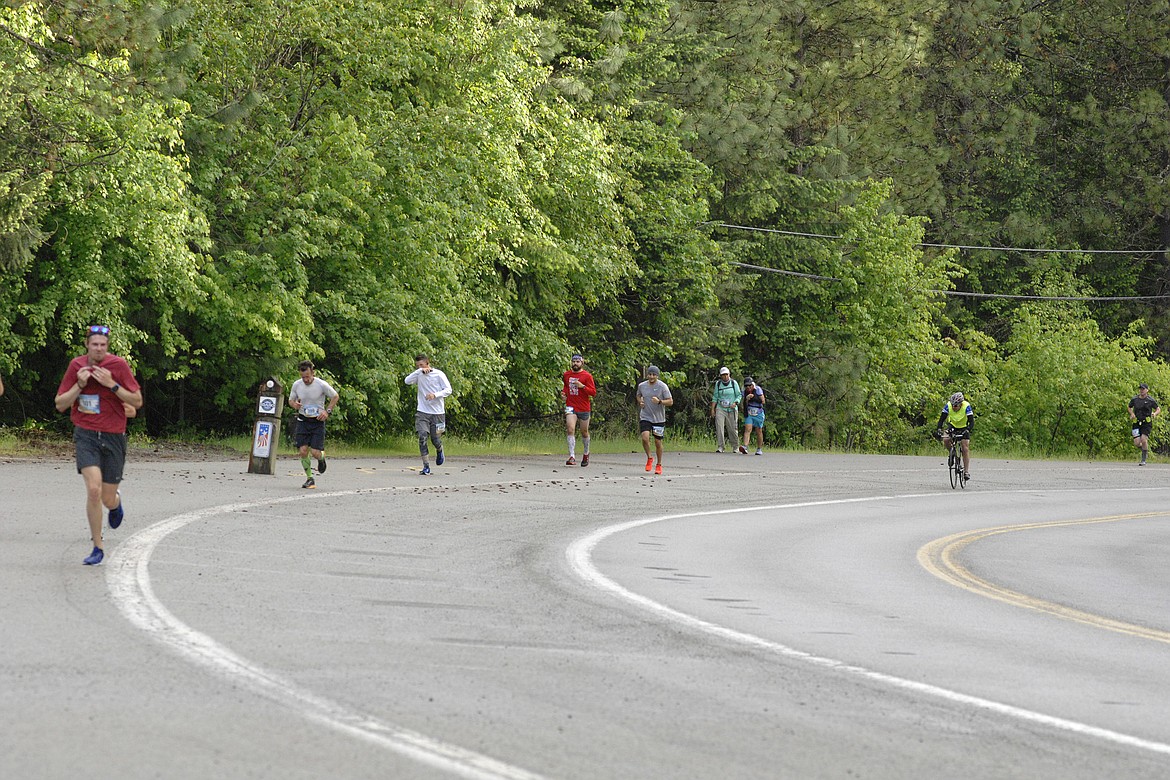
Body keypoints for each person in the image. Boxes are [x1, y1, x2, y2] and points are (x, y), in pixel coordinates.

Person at [53, 325, 143, 565]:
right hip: (86, 434)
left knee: (107, 497)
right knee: (93, 490)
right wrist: (79, 385)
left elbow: (137, 401)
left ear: (108, 346)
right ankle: (97, 547)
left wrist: (111, 384)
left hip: (114, 435)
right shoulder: (76, 366)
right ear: (87, 345)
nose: (99, 349)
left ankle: (116, 504)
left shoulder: (118, 366)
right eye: (95, 344)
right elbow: (60, 404)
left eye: (103, 345)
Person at [288, 360, 339, 489]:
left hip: (317, 422)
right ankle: (310, 478)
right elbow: (291, 400)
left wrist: (327, 412)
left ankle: (321, 459)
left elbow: (335, 396)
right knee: (303, 450)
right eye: (303, 377)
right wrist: (294, 404)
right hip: (303, 420)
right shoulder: (297, 385)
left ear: (313, 373)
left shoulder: (321, 385)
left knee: (316, 452)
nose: (305, 380)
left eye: (307, 377)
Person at [405, 354, 453, 475]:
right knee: (422, 436)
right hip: (422, 411)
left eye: (422, 365)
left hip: (437, 413)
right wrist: (419, 371)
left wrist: (435, 395)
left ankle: (439, 450)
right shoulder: (419, 374)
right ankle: (426, 466)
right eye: (418, 366)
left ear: (427, 363)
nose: (420, 367)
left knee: (435, 439)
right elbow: (407, 381)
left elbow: (448, 390)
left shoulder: (439, 374)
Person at [636, 365, 673, 475]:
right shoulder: (642, 386)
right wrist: (640, 401)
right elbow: (638, 395)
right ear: (647, 375)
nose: (651, 377)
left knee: (658, 442)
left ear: (657, 376)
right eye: (650, 374)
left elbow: (670, 401)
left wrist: (660, 402)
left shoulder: (662, 386)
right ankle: (649, 457)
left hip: (658, 418)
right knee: (645, 437)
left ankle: (659, 464)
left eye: (654, 375)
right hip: (645, 416)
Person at [562, 353, 597, 466]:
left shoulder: (587, 376)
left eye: (577, 362)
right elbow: (566, 388)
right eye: (573, 361)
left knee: (584, 432)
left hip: (583, 407)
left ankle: (586, 453)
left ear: (582, 363)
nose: (575, 364)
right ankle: (572, 456)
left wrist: (583, 387)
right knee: (570, 428)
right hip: (570, 406)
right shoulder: (567, 375)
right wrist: (563, 394)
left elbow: (593, 392)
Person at [936, 391, 974, 479]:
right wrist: (938, 429)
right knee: (945, 439)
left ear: (960, 404)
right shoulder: (948, 405)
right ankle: (952, 453)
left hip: (964, 428)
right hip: (952, 426)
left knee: (965, 448)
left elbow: (971, 422)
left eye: (956, 405)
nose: (953, 407)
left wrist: (968, 430)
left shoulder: (966, 406)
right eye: (953, 405)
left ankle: (966, 471)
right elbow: (941, 420)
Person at [709, 367, 741, 453]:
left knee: (732, 429)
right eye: (723, 375)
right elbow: (715, 397)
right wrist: (713, 409)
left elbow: (739, 395)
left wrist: (735, 402)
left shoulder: (734, 383)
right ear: (721, 376)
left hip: (732, 409)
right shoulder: (718, 384)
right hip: (720, 408)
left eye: (726, 374)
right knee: (719, 427)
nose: (725, 376)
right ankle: (721, 446)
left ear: (729, 374)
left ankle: (735, 446)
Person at [1128, 382, 1160, 466]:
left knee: (1143, 440)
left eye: (1143, 389)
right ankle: (1145, 449)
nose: (1141, 390)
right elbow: (1129, 407)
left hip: (1146, 423)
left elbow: (1158, 408)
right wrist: (1132, 414)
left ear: (1147, 390)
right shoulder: (1135, 399)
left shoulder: (1150, 400)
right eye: (1140, 389)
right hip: (1136, 422)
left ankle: (1143, 459)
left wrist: (1155, 414)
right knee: (1137, 443)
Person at [739, 377, 765, 455]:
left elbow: (763, 401)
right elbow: (743, 404)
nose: (748, 387)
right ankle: (745, 447)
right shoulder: (744, 391)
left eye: (749, 385)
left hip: (758, 412)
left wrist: (753, 397)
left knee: (759, 431)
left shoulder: (757, 389)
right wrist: (746, 399)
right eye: (746, 386)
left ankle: (759, 448)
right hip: (749, 412)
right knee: (747, 429)